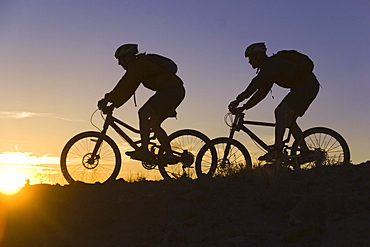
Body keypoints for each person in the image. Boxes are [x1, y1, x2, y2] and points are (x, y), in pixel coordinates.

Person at [229, 42, 320, 161]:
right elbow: (261, 92)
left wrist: (238, 99)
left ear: (258, 56)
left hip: (306, 87)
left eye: (250, 58)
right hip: (306, 87)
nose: (249, 62)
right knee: (288, 120)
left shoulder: (270, 65)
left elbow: (256, 83)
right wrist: (245, 107)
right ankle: (306, 152)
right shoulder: (269, 69)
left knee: (280, 112)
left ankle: (277, 151)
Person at [98, 44, 185, 161]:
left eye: (120, 60)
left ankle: (144, 149)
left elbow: (125, 85)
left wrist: (108, 99)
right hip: (171, 91)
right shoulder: (138, 65)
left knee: (143, 112)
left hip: (171, 91)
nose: (119, 64)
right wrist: (113, 104)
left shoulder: (139, 64)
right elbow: (128, 88)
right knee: (154, 124)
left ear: (127, 57)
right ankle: (168, 155)